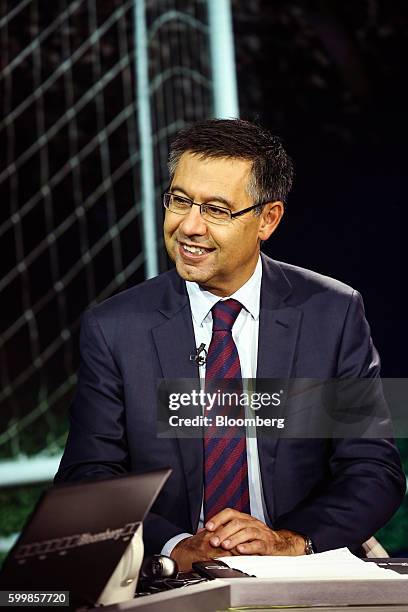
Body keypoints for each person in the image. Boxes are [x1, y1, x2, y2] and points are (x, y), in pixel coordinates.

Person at [55, 119, 405, 571]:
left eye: (217, 209)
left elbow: (372, 470)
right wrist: (177, 546)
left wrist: (287, 541)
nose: (189, 227)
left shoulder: (331, 314)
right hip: (172, 571)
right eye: (180, 201)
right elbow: (88, 477)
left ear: (268, 219)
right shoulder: (115, 327)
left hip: (301, 558)